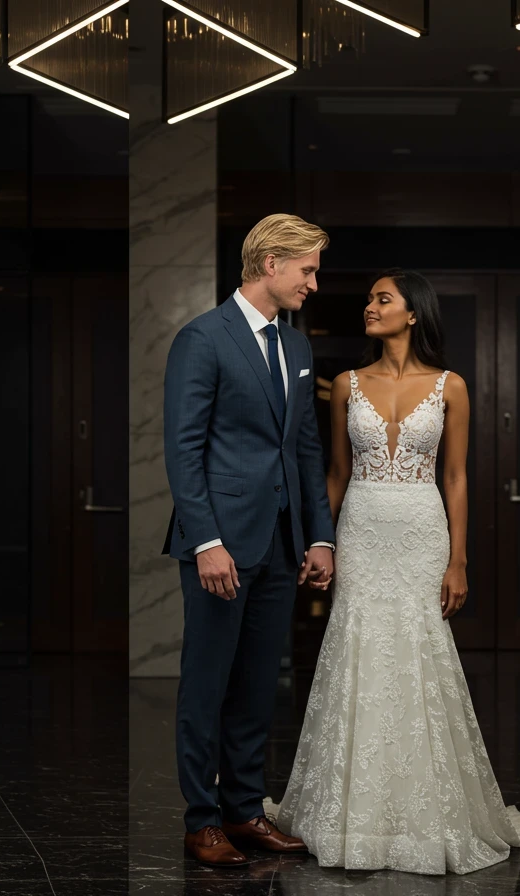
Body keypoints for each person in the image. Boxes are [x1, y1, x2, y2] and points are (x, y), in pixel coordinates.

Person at [275, 270, 520, 874]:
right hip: (362, 529)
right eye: (368, 298)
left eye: (382, 299)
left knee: (419, 654)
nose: (369, 307)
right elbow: (336, 473)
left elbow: (456, 477)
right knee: (358, 649)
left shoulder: (453, 387)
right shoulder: (345, 384)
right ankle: (349, 809)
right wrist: (320, 543)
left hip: (421, 531)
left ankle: (423, 811)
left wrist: (458, 558)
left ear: (413, 313)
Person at [161, 214, 336, 867]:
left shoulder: (296, 348)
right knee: (207, 684)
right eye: (308, 269)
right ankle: (201, 819)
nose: (313, 283)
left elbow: (305, 449)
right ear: (271, 263)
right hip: (220, 546)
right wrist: (206, 540)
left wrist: (319, 537)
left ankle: (244, 811)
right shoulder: (202, 338)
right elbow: (183, 449)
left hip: (281, 543)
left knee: (260, 685)